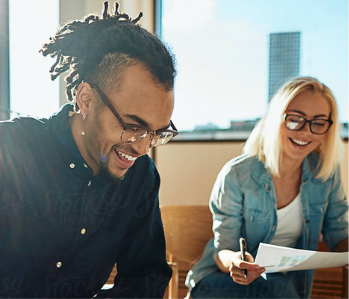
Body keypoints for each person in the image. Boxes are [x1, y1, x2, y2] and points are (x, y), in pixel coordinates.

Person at [0, 2, 178, 298]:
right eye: (133, 126)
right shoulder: (10, 149)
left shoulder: (141, 177)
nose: (143, 146)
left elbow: (146, 274)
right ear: (85, 98)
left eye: (156, 133)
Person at [185, 76, 348, 298]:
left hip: (285, 288)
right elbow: (224, 249)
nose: (305, 132)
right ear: (275, 119)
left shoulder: (325, 173)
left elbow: (339, 233)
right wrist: (237, 262)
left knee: (278, 285)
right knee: (277, 286)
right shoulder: (237, 175)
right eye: (295, 119)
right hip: (218, 282)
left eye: (318, 123)